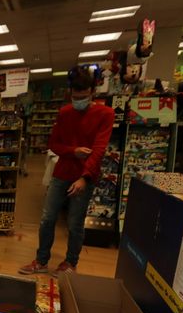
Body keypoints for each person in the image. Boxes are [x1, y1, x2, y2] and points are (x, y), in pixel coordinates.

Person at [19, 65, 114, 277]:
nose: (79, 100)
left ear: (92, 92)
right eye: (75, 96)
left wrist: (84, 177)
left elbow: (99, 149)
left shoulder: (105, 114)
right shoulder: (65, 112)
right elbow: (54, 144)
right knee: (47, 218)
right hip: (61, 172)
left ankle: (70, 262)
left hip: (84, 177)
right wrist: (73, 151)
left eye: (83, 96)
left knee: (74, 223)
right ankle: (41, 261)